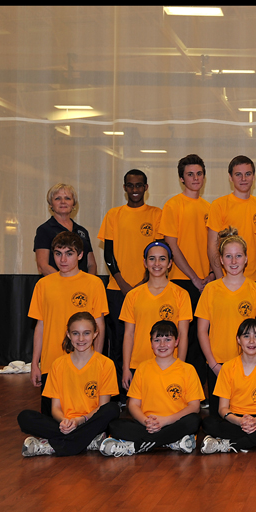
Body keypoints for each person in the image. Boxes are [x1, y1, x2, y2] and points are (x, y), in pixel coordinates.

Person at [97, 169, 164, 402]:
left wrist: (144, 282)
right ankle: (118, 393)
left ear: (146, 187)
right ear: (125, 188)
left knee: (149, 340)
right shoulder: (113, 215)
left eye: (139, 185)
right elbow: (108, 254)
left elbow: (158, 252)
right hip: (118, 290)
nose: (135, 190)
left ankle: (149, 390)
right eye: (130, 185)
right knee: (117, 341)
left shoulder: (156, 214)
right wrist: (123, 283)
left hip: (149, 288)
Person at [17, 312, 120, 457]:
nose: (81, 339)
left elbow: (103, 407)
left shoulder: (106, 364)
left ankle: (51, 446)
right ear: (68, 334)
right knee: (25, 417)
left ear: (95, 334)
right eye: (76, 333)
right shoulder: (58, 364)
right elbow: (55, 408)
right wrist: (65, 421)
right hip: (65, 424)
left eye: (86, 333)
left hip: (90, 421)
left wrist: (80, 420)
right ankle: (87, 441)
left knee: (112, 409)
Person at [28, 231, 107, 415]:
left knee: (86, 414)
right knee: (51, 418)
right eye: (58, 253)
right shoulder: (43, 285)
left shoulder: (94, 283)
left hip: (84, 361)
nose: (63, 259)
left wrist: (98, 359)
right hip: (51, 363)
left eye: (69, 253)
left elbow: (99, 325)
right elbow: (40, 326)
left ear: (80, 255)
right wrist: (35, 363)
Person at [101, 320, 203, 457]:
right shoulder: (143, 368)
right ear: (151, 343)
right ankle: (169, 442)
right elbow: (133, 405)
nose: (162, 345)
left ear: (177, 341)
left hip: (174, 423)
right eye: (157, 340)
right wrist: (145, 421)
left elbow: (194, 406)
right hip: (148, 426)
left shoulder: (187, 369)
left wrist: (165, 421)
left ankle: (135, 446)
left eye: (168, 339)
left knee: (194, 421)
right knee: (114, 425)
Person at [159, 154, 214, 402]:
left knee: (203, 339)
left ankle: (199, 394)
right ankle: (178, 393)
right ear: (181, 179)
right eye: (190, 174)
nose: (195, 178)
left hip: (206, 283)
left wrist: (210, 274)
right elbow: (171, 246)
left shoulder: (209, 208)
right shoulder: (173, 205)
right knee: (183, 339)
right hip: (182, 282)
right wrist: (194, 278)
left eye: (199, 173)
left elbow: (213, 247)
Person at [196, 228, 256, 400]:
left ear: (246, 259)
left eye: (238, 256)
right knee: (219, 415)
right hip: (218, 365)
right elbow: (201, 331)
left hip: (248, 364)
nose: (233, 261)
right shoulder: (210, 290)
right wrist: (214, 365)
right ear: (221, 260)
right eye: (228, 256)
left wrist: (254, 361)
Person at [200, 319, 256, 453]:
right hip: (236, 420)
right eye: (246, 336)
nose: (251, 341)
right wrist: (240, 421)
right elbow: (222, 408)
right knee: (207, 422)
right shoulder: (227, 367)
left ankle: (229, 444)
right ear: (238, 339)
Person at [119, 240, 192, 392]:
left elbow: (183, 334)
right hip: (138, 364)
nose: (157, 263)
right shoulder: (133, 295)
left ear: (170, 263)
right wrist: (126, 368)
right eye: (152, 259)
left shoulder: (181, 294)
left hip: (170, 364)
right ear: (145, 263)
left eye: (162, 259)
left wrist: (181, 366)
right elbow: (128, 334)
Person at [206, 155, 256, 284]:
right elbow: (212, 246)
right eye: (238, 174)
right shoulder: (219, 205)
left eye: (248, 174)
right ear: (230, 177)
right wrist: (220, 278)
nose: (243, 179)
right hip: (228, 278)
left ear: (254, 176)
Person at [34, 183, 96, 275]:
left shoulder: (82, 231)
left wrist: (87, 282)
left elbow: (91, 265)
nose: (63, 201)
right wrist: (65, 282)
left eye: (67, 198)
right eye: (57, 198)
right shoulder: (44, 230)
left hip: (83, 284)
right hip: (55, 283)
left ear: (73, 204)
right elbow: (43, 266)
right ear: (51, 204)